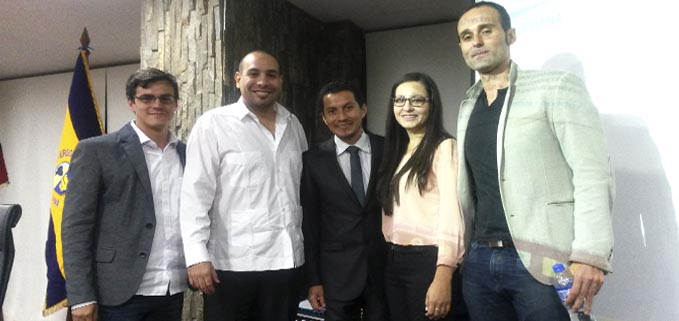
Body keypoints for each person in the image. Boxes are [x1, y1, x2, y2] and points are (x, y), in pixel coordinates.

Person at [454, 2, 615, 321]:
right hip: (480, 259)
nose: (477, 41)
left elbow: (592, 173)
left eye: (487, 30)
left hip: (544, 260)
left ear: (510, 35)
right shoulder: (468, 105)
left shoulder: (554, 87)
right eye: (467, 35)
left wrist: (591, 255)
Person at [180, 50, 308, 321]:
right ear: (237, 79)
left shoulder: (293, 125)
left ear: (280, 81)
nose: (263, 81)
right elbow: (194, 196)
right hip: (232, 267)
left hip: (288, 263)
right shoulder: (213, 125)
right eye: (254, 73)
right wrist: (196, 256)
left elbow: (301, 194)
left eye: (271, 75)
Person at [62, 68, 186, 321]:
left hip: (171, 289)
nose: (157, 104)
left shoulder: (188, 154)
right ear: (131, 103)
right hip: (116, 294)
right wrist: (81, 296)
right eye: (147, 98)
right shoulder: (97, 151)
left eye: (166, 98)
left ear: (176, 104)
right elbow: (76, 228)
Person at [376, 72, 466, 321]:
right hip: (394, 260)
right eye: (400, 100)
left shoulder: (444, 147)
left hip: (428, 261)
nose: (407, 107)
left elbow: (452, 213)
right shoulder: (397, 150)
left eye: (417, 100)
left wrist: (444, 273)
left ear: (432, 104)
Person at [301, 81, 388, 321]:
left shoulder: (389, 149)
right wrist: (313, 280)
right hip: (336, 275)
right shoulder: (312, 161)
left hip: (384, 271)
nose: (341, 117)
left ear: (363, 109)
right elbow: (310, 224)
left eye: (348, 108)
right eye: (332, 111)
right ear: (324, 117)